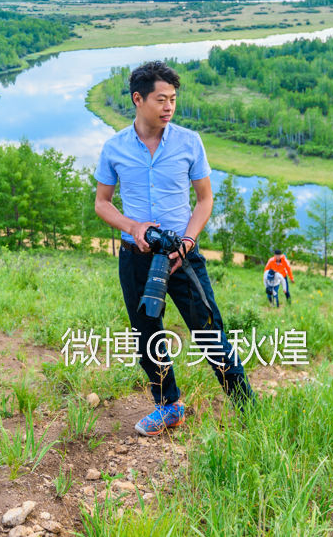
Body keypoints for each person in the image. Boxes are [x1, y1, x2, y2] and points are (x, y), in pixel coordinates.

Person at [94, 61, 254, 436]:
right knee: (146, 333)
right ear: (138, 99)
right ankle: (168, 406)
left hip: (183, 255)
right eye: (161, 99)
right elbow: (102, 203)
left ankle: (247, 407)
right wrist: (132, 226)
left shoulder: (188, 142)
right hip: (137, 257)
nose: (169, 107)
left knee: (209, 329)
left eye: (173, 100)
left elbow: (204, 199)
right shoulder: (114, 147)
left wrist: (187, 242)